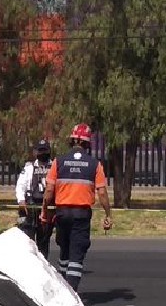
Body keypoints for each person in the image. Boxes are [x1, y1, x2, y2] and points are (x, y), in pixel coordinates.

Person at [41, 123, 113, 292]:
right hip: (81, 215)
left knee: (64, 253)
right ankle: (70, 294)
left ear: (72, 140)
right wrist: (108, 214)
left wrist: (45, 212)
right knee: (76, 256)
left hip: (62, 214)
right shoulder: (95, 165)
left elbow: (49, 191)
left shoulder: (58, 162)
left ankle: (62, 291)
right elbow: (102, 193)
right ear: (88, 144)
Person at [15, 139, 54, 258]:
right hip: (30, 208)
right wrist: (21, 201)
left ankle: (43, 265)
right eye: (40, 150)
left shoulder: (54, 167)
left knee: (44, 241)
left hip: (47, 208)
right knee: (28, 241)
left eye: (45, 150)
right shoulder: (29, 167)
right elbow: (20, 185)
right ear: (36, 152)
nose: (43, 153)